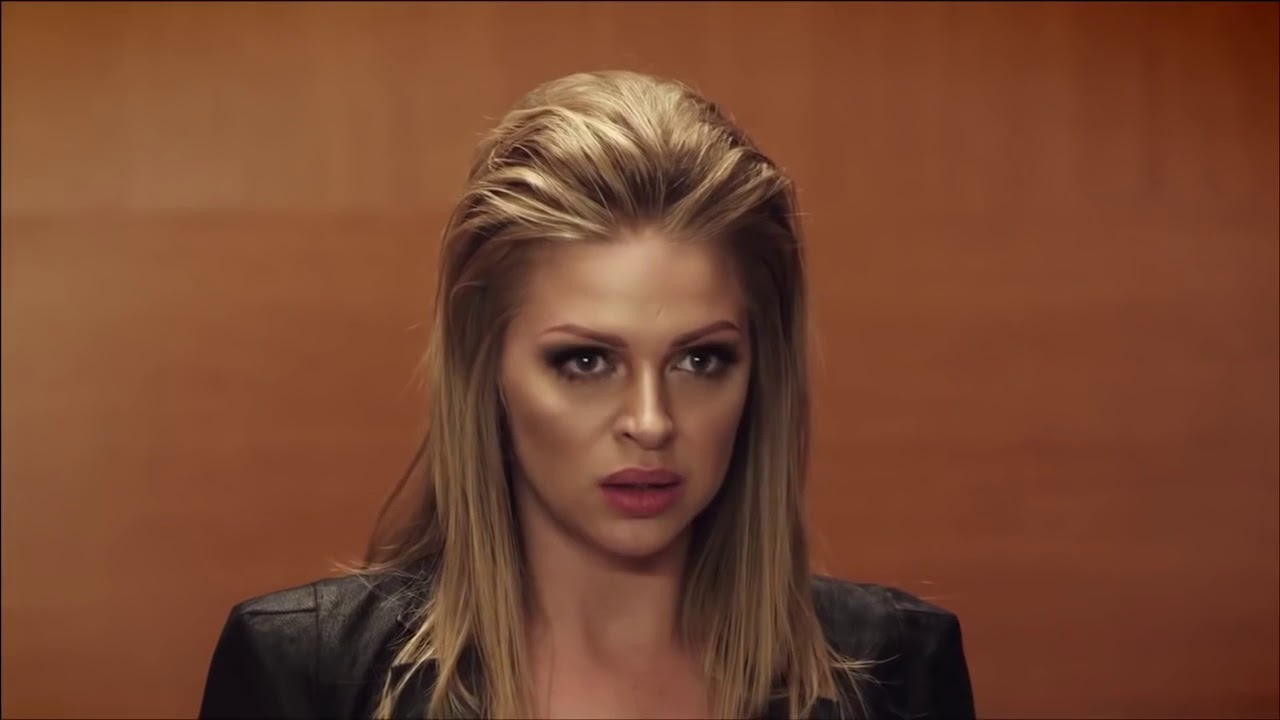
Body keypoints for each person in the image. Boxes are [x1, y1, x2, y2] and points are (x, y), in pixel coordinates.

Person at [197, 70, 976, 720]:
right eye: (585, 361)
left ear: (759, 372)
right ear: (486, 368)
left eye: (700, 360)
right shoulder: (307, 675)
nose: (650, 423)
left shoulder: (898, 672)